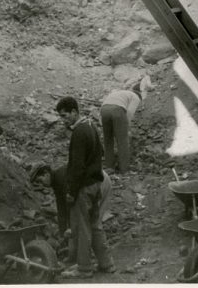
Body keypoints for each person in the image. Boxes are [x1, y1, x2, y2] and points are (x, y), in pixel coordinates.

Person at [56, 96, 115, 279]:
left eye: (65, 115)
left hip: (84, 188)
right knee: (95, 225)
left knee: (82, 228)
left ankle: (84, 268)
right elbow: (100, 153)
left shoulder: (79, 132)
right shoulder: (91, 126)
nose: (63, 119)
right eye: (61, 116)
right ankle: (106, 263)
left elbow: (77, 167)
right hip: (96, 184)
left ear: (74, 111)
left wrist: (71, 192)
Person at [30, 163, 113, 236]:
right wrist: (62, 233)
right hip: (94, 181)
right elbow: (61, 208)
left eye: (40, 180)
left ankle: (98, 250)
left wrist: (70, 228)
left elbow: (71, 204)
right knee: (86, 224)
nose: (41, 184)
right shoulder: (56, 182)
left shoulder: (61, 177)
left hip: (98, 181)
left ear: (46, 174)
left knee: (93, 223)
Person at [100, 82, 143, 173]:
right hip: (117, 110)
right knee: (122, 140)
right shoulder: (136, 97)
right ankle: (124, 169)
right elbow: (130, 113)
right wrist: (127, 127)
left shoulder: (122, 93)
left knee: (108, 140)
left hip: (104, 109)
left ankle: (109, 167)